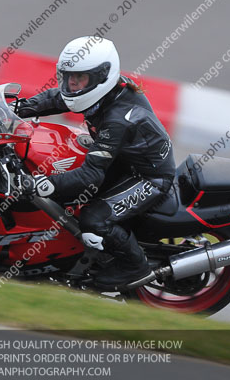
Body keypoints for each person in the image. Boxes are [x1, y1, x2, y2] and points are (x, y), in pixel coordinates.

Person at [15, 36, 175, 289]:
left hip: (148, 177)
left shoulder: (117, 118)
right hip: (121, 162)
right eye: (68, 77)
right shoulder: (102, 92)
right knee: (64, 191)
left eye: (80, 78)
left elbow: (90, 176)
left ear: (102, 76)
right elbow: (58, 98)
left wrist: (40, 185)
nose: (72, 84)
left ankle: (135, 267)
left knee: (93, 219)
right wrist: (16, 109)